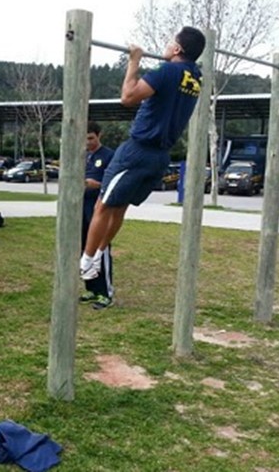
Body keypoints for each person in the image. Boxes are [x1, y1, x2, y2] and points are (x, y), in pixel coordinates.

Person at [79, 27, 206, 281]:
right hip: (160, 157)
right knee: (119, 207)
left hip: (137, 151)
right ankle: (99, 255)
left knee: (102, 205)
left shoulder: (168, 70)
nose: (167, 45)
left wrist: (134, 60)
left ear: (178, 49)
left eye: (171, 42)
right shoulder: (195, 78)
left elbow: (127, 97)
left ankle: (85, 261)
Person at [81, 122, 115, 310]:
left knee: (100, 249)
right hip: (81, 207)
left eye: (91, 138)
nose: (88, 142)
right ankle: (91, 289)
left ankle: (106, 293)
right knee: (84, 248)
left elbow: (114, 183)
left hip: (99, 209)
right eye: (85, 139)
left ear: (99, 135)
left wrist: (98, 185)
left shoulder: (109, 156)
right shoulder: (83, 155)